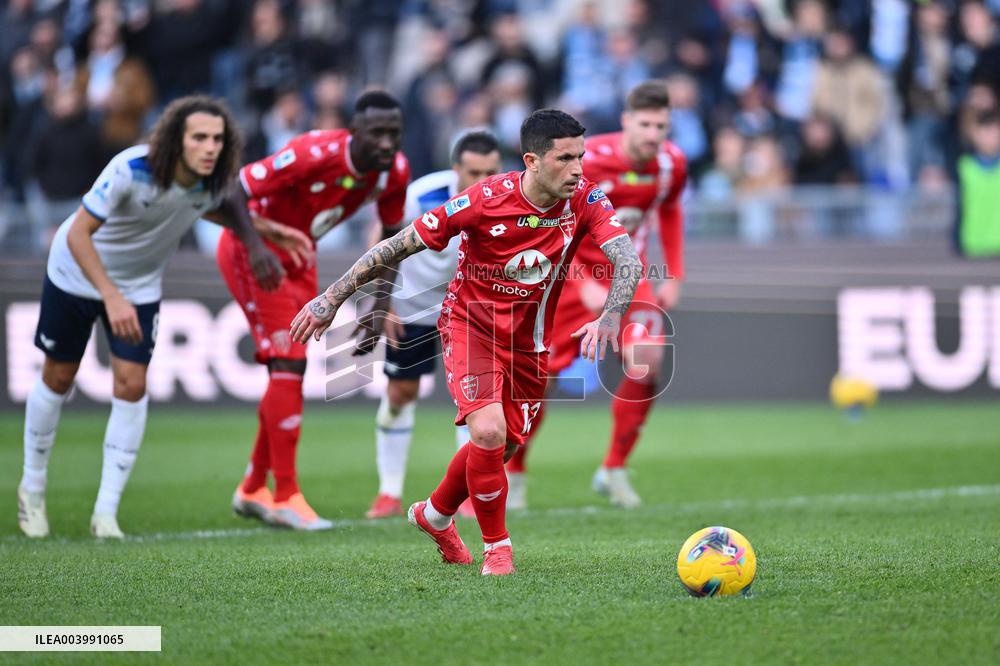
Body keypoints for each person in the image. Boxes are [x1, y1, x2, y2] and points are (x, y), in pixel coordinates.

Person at [290, 109, 643, 575]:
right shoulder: (484, 198)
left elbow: (628, 260)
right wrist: (332, 298)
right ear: (532, 161)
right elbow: (397, 244)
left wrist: (612, 315)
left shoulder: (586, 198)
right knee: (489, 433)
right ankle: (498, 549)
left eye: (580, 156)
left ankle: (434, 515)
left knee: (503, 447)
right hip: (469, 326)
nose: (577, 169)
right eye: (565, 158)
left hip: (529, 343)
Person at [17, 95, 294, 539]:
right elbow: (78, 233)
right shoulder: (131, 169)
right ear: (174, 140)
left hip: (139, 287)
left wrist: (265, 231)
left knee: (132, 383)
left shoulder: (208, 182)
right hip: (75, 273)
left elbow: (215, 208)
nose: (210, 147)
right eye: (199, 138)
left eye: (218, 139)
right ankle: (32, 487)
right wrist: (110, 295)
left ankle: (105, 514)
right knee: (58, 377)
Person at [220, 90, 410, 530]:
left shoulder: (393, 171)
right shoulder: (312, 153)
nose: (387, 143)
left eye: (394, 134)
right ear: (353, 131)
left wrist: (379, 304)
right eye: (377, 133)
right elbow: (232, 190)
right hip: (254, 251)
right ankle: (284, 494)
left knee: (292, 364)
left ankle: (252, 487)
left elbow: (393, 238)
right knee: (288, 359)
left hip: (299, 255)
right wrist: (257, 246)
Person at [505, 81, 688, 510]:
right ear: (626, 121)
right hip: (569, 278)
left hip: (629, 277)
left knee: (648, 361)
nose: (652, 134)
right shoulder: (588, 160)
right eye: (644, 123)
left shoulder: (672, 164)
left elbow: (671, 209)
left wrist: (675, 273)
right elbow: (557, 216)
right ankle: (514, 474)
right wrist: (581, 277)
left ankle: (614, 468)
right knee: (538, 380)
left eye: (660, 125)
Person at [366, 130, 502, 520]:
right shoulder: (423, 194)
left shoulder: (507, 198)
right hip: (414, 307)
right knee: (401, 393)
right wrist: (383, 300)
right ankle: (389, 491)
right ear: (455, 168)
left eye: (490, 172)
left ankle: (472, 493)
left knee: (476, 402)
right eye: (473, 172)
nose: (482, 181)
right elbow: (385, 236)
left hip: (473, 312)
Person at [956, 109, 1000, 257]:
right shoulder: (964, 167)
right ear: (974, 135)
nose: (990, 138)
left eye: (994, 132)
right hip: (972, 247)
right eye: (985, 132)